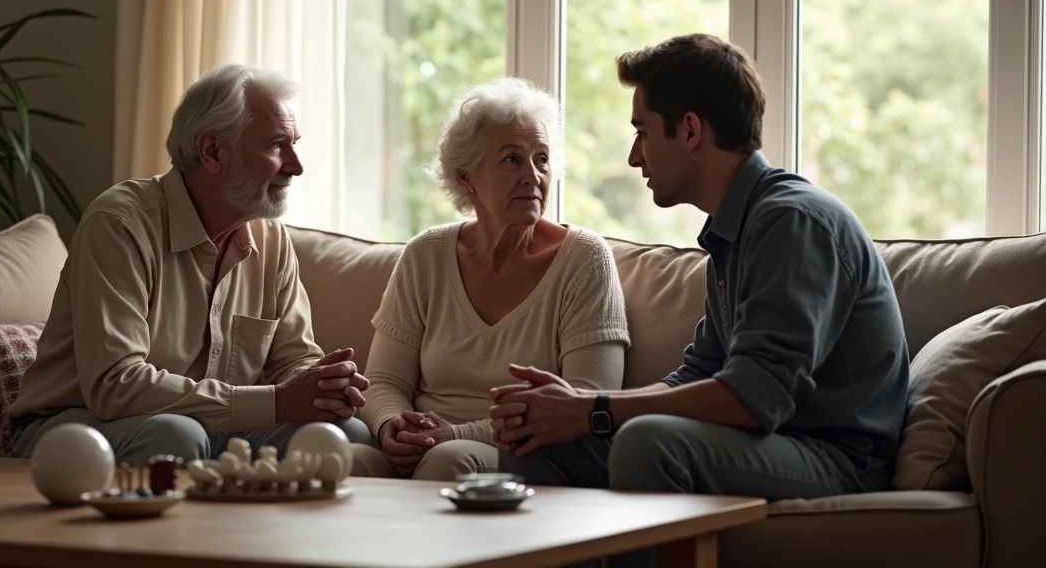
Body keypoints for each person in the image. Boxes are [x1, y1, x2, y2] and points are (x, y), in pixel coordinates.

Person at [491, 34, 909, 531]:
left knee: (648, 442)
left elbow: (755, 398)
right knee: (537, 438)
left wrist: (595, 410)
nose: (633, 157)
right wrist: (563, 412)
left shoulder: (792, 222)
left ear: (690, 131)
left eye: (642, 132)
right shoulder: (737, 230)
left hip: (837, 460)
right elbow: (700, 373)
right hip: (770, 445)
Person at [10, 64, 376, 463]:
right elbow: (115, 386)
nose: (296, 165)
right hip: (76, 423)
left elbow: (293, 360)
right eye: (275, 145)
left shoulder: (272, 240)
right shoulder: (119, 225)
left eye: (294, 144)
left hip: (207, 427)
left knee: (346, 432)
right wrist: (273, 403)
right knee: (176, 436)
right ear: (213, 151)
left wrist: (321, 388)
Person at [351, 78, 629, 482]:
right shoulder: (425, 255)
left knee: (448, 461)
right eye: (512, 160)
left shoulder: (585, 259)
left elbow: (582, 402)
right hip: (425, 446)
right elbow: (384, 380)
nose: (533, 176)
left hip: (526, 456)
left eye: (542, 159)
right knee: (347, 461)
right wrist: (393, 426)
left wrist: (453, 435)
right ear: (466, 177)